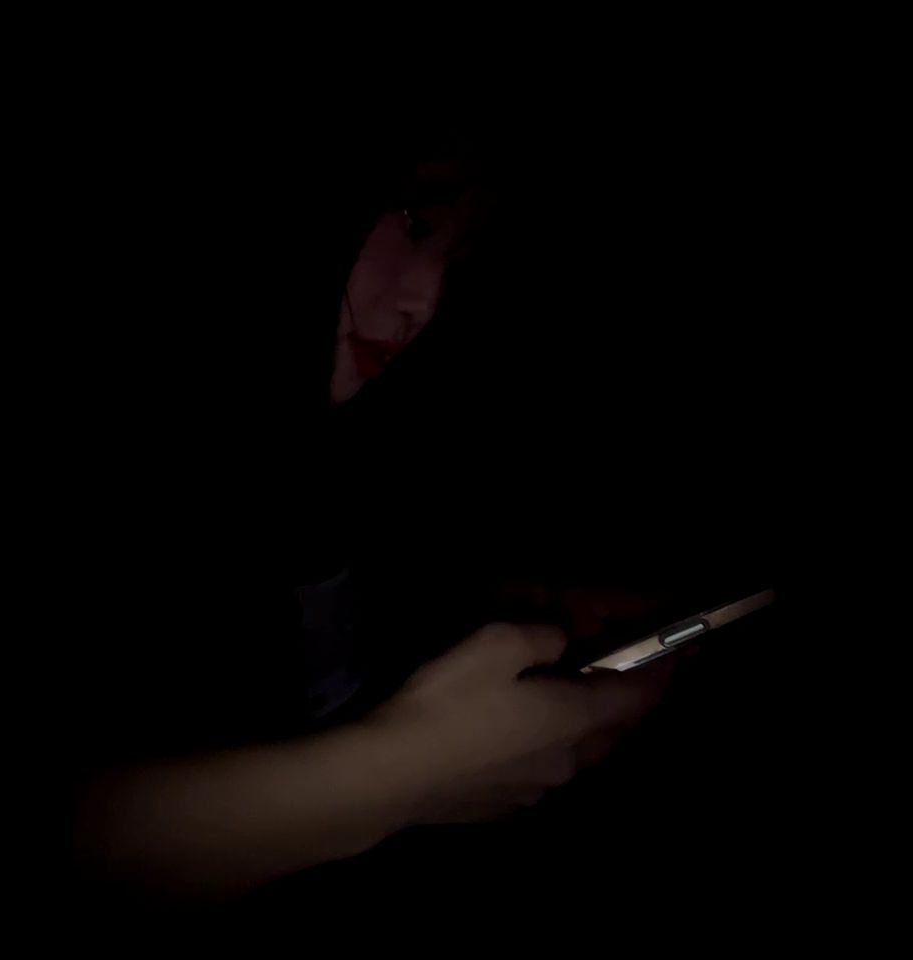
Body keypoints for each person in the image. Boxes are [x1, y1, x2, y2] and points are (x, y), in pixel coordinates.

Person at [68, 122, 677, 910]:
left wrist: (526, 619)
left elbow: (329, 651)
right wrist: (399, 777)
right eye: (414, 220)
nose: (424, 297)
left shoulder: (342, 436)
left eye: (457, 254)